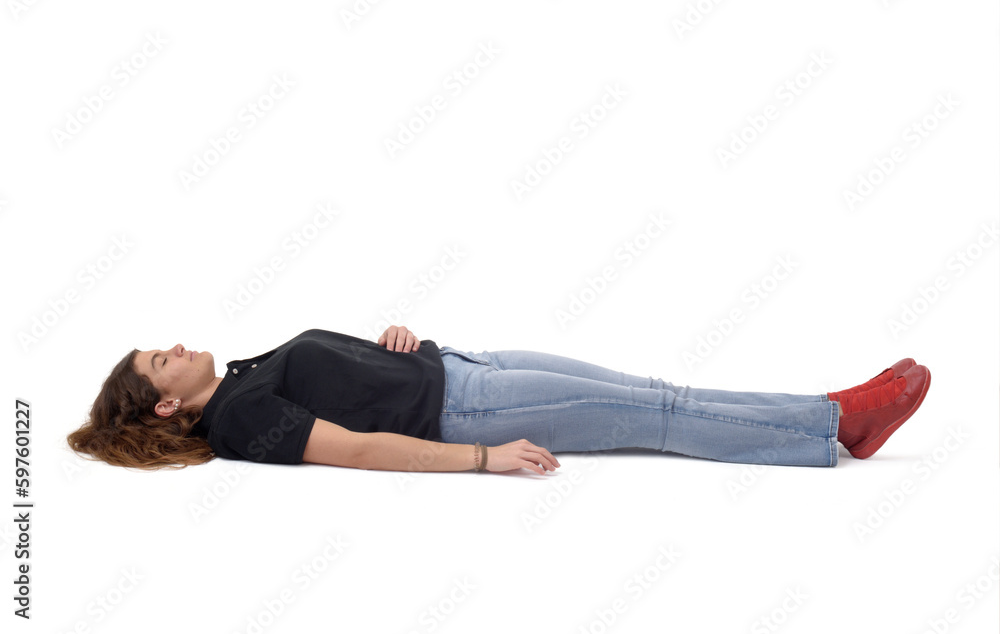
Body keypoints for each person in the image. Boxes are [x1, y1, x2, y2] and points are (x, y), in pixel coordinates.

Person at [66, 325, 931, 473]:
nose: (176, 347)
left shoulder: (244, 375)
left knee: (657, 391)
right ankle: (836, 421)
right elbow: (359, 447)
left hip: (464, 363)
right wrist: (482, 457)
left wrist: (389, 341)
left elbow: (345, 380)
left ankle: (823, 412)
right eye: (160, 360)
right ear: (166, 407)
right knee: (662, 417)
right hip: (468, 412)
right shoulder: (241, 418)